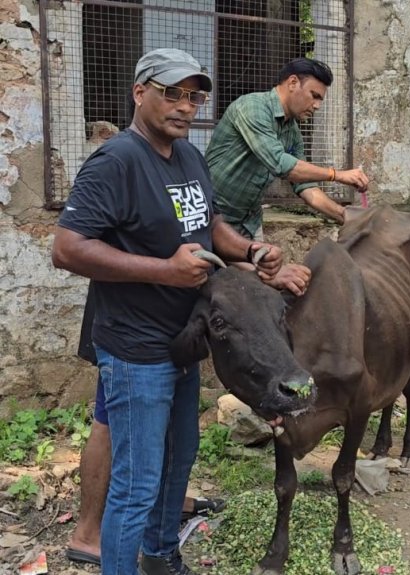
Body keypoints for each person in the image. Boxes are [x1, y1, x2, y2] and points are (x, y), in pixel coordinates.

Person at [52, 48, 288, 575]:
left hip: (184, 339)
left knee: (178, 461)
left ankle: (160, 557)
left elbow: (211, 223)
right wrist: (163, 270)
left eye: (194, 96)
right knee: (136, 484)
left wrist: (249, 251)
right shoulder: (116, 161)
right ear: (140, 93)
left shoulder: (189, 155)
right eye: (172, 93)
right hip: (136, 349)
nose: (185, 107)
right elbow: (66, 248)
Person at [64, 285, 225, 568]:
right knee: (133, 474)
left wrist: (252, 254)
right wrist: (171, 269)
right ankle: (88, 534)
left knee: (177, 451)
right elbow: (72, 250)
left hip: (176, 336)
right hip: (133, 342)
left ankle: (159, 552)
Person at [206, 57, 367, 240]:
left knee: (260, 268)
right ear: (292, 83)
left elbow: (306, 186)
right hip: (213, 217)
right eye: (314, 96)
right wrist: (337, 174)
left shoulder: (292, 133)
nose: (317, 106)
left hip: (249, 223)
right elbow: (280, 163)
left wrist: (344, 215)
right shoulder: (253, 107)